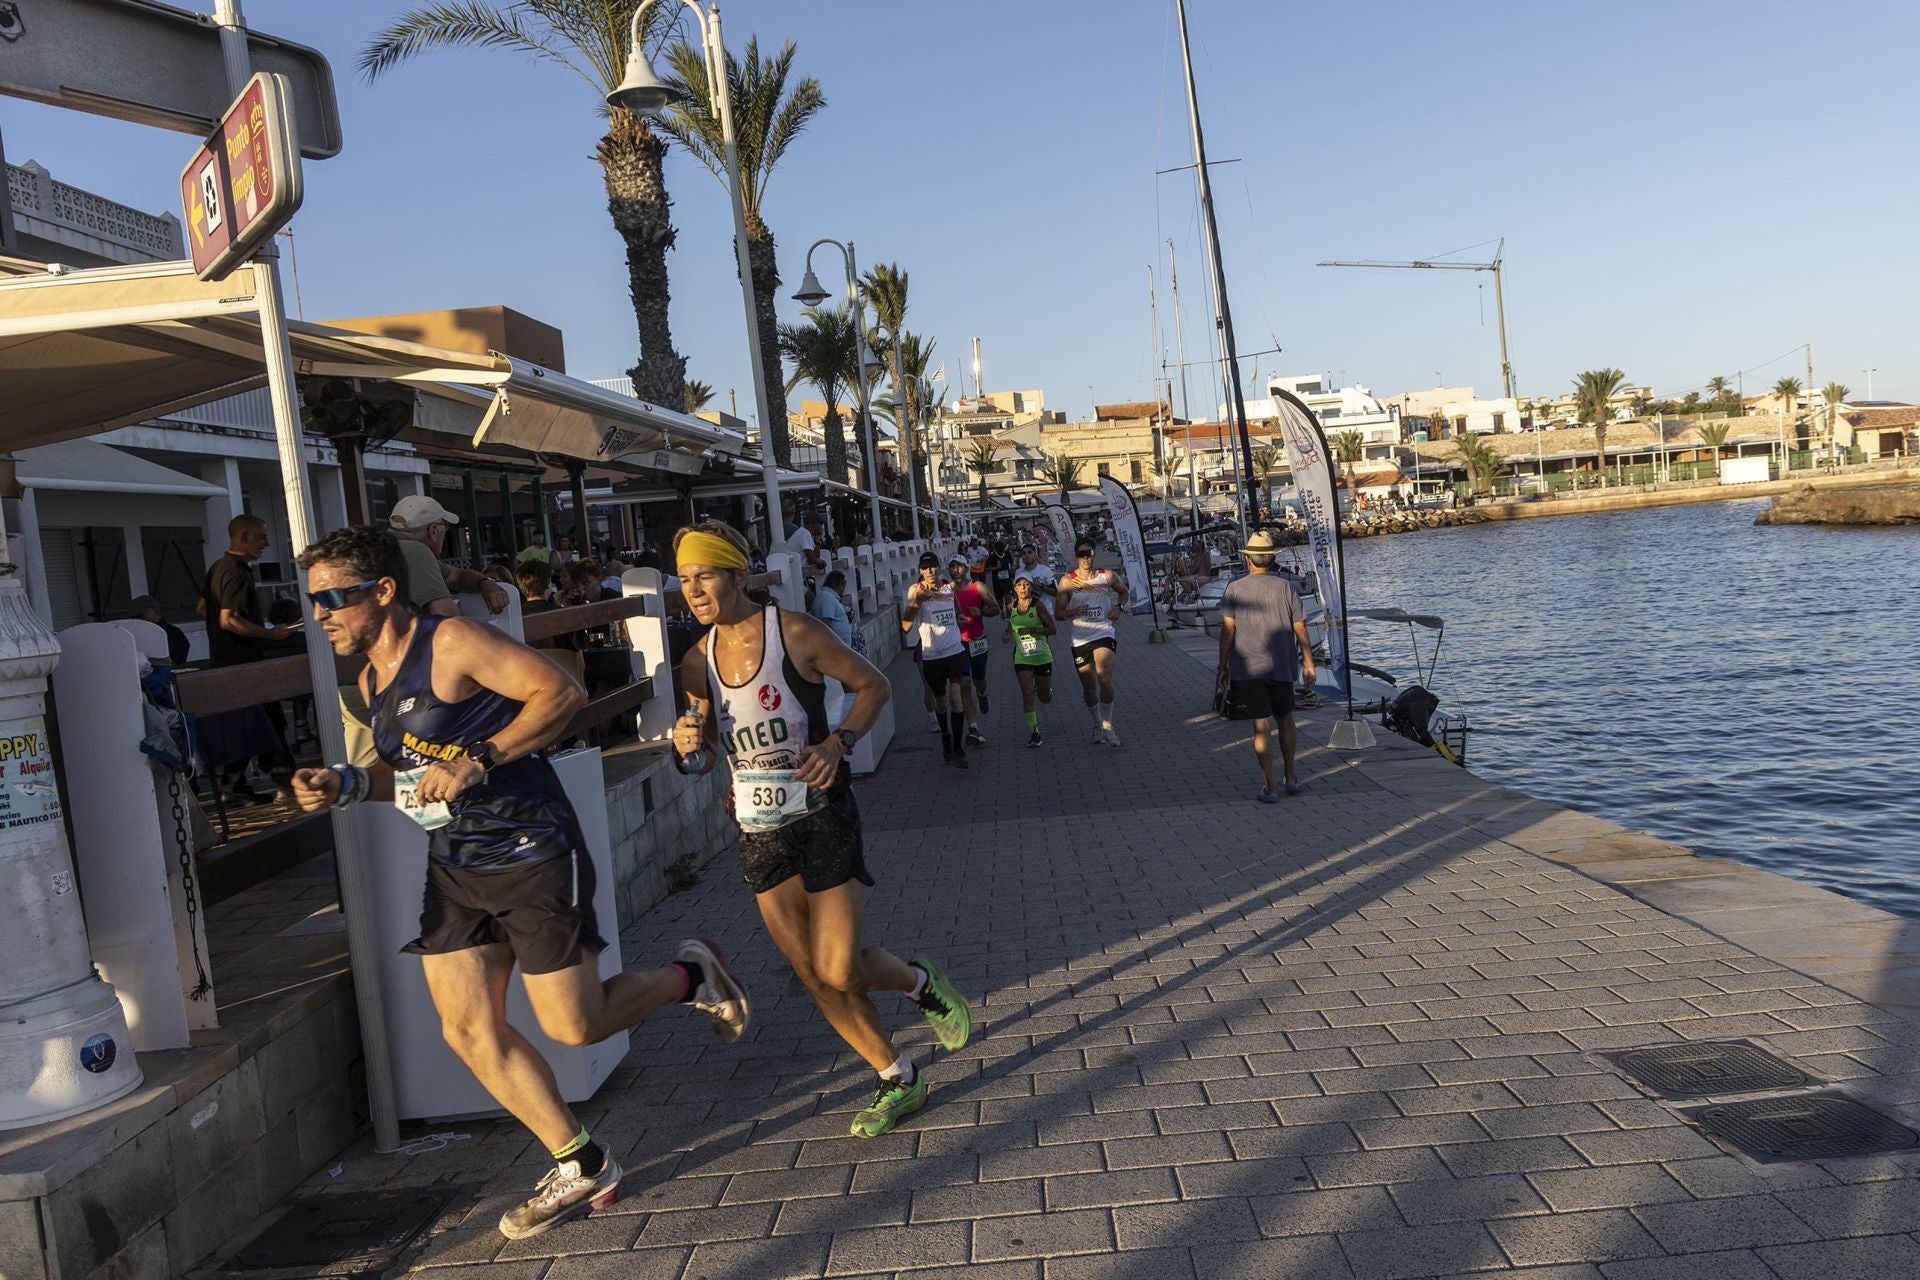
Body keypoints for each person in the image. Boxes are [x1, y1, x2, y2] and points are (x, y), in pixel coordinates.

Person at [290, 525, 749, 1241]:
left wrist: (481, 756)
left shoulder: (449, 643)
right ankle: (582, 1160)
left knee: (576, 1025)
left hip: (532, 848)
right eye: (313, 602)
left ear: (382, 591)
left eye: (334, 599)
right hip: (456, 862)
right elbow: (414, 778)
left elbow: (558, 692)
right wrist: (346, 783)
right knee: (467, 1028)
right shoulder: (373, 680)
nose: (321, 615)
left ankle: (688, 977)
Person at [670, 522, 971, 1138]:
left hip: (822, 815)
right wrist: (687, 747)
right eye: (683, 580)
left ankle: (918, 981)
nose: (693, 591)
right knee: (810, 973)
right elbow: (699, 754)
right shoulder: (696, 662)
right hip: (758, 828)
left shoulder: (796, 632)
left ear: (736, 575)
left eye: (704, 576)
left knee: (839, 969)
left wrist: (839, 743)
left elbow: (874, 685)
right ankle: (899, 1077)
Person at [198, 514, 298, 798]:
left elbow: (201, 608)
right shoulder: (237, 571)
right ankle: (289, 784)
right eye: (261, 537)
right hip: (245, 664)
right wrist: (269, 634)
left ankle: (232, 785)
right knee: (270, 721)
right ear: (242, 538)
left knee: (244, 726)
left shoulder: (217, 568)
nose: (266, 543)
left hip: (224, 662)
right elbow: (228, 620)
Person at [1217, 531, 1315, 801]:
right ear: (1271, 560)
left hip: (1247, 669)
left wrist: (1222, 667)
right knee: (1285, 718)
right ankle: (1291, 777)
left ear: (1249, 560)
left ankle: (1269, 786)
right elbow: (1301, 628)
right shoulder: (1286, 588)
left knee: (1261, 726)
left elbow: (1227, 633)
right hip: (1282, 666)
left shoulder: (1234, 589)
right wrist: (1309, 662)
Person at [1057, 538, 1128, 746]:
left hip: (1104, 632)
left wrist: (1118, 608)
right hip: (1080, 638)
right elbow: (1058, 613)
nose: (1085, 558)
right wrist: (1072, 611)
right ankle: (1097, 722)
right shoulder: (1067, 581)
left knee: (1104, 678)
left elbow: (1123, 592)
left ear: (1094, 553)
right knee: (1088, 687)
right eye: (1081, 554)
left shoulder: (1106, 576)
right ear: (1076, 556)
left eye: (1088, 553)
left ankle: (1108, 724)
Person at [388, 496, 511, 617]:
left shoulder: (388, 547)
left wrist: (485, 583)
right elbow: (447, 616)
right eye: (445, 525)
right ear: (434, 530)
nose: (445, 532)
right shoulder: (416, 552)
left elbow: (458, 576)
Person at [904, 552, 971, 767]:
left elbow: (957, 611)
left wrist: (960, 617)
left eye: (934, 566)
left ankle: (958, 747)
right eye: (926, 568)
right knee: (941, 703)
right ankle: (945, 738)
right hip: (932, 655)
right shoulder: (916, 590)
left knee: (956, 698)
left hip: (954, 650)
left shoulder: (948, 587)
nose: (931, 571)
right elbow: (905, 627)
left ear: (939, 568)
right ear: (921, 571)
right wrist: (917, 603)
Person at [1003, 574, 1056, 747]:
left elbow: (1052, 629)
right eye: (1020, 585)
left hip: (1041, 656)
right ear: (1015, 588)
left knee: (1043, 697)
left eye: (1027, 585)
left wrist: (1032, 630)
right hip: (1022, 657)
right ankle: (1035, 733)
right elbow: (1012, 623)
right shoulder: (1011, 606)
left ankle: (1047, 692)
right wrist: (1007, 633)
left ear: (1031, 587)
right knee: (1027, 693)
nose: (1023, 588)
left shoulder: (1037, 605)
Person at [950, 555, 999, 737]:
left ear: (966, 567)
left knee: (979, 680)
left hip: (977, 640)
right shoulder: (947, 591)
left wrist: (981, 612)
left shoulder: (977, 587)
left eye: (959, 566)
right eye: (952, 566)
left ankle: (982, 693)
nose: (955, 570)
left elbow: (995, 609)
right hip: (957, 644)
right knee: (965, 683)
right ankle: (973, 727)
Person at [127, 594, 191, 666]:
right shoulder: (136, 635)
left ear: (153, 612)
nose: (137, 621)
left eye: (140, 616)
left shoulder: (172, 633)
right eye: (134, 618)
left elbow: (173, 662)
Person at [810, 568, 854, 646]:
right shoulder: (828, 598)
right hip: (837, 648)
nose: (844, 589)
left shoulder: (828, 596)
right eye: (843, 585)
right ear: (839, 585)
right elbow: (827, 622)